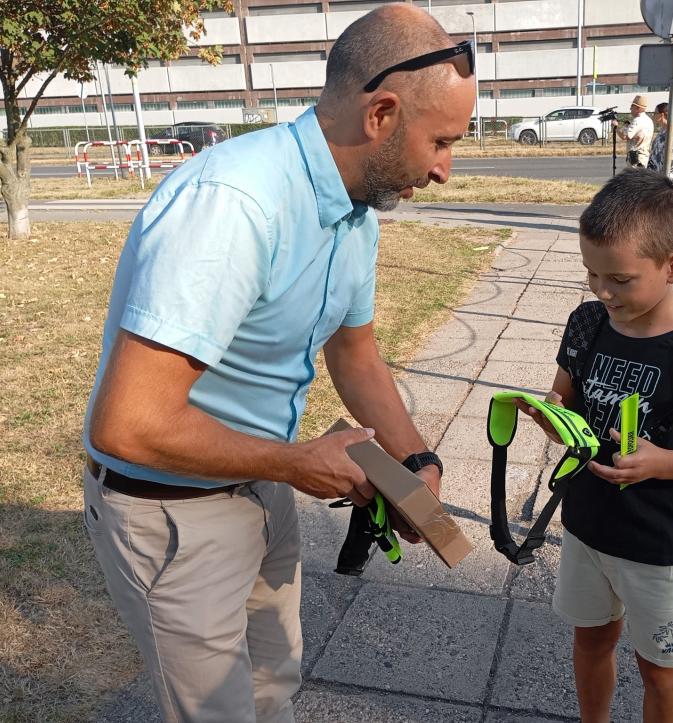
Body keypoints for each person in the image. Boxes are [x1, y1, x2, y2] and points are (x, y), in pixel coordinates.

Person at [81, 5, 476, 722]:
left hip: (263, 486)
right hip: (173, 514)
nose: (445, 169)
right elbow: (127, 424)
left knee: (274, 691)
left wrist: (415, 454)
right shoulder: (234, 204)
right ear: (382, 114)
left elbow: (354, 353)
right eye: (442, 140)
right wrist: (297, 463)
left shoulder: (356, 209)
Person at [515, 169, 673, 723]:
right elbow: (565, 402)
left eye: (620, 280)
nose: (602, 292)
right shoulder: (587, 325)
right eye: (591, 274)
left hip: (662, 544)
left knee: (661, 670)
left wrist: (663, 462)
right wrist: (549, 416)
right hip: (587, 528)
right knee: (592, 643)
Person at [612, 94, 654, 168]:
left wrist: (616, 127)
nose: (630, 109)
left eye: (632, 107)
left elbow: (624, 136)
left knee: (634, 178)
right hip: (644, 156)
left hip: (636, 158)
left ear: (638, 108)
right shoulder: (648, 120)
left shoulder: (637, 121)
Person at [647, 102, 673, 180]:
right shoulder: (662, 129)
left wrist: (666, 172)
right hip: (655, 171)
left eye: (655, 113)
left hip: (664, 173)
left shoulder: (670, 131)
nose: (653, 115)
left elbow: (672, 152)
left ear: (662, 115)